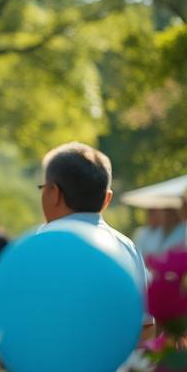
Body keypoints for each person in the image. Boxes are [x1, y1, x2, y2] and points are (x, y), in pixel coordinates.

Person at [39, 142, 154, 339]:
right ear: (107, 199)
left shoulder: (40, 244)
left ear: (53, 193)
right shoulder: (126, 247)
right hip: (115, 367)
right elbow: (146, 327)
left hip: (49, 365)